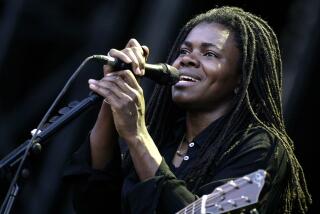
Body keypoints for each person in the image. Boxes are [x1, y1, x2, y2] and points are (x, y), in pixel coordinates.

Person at [63, 6, 311, 214]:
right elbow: (93, 203)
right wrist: (113, 94)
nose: (187, 59)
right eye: (184, 50)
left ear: (241, 78)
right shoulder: (163, 140)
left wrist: (137, 136)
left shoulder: (259, 147)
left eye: (210, 53)